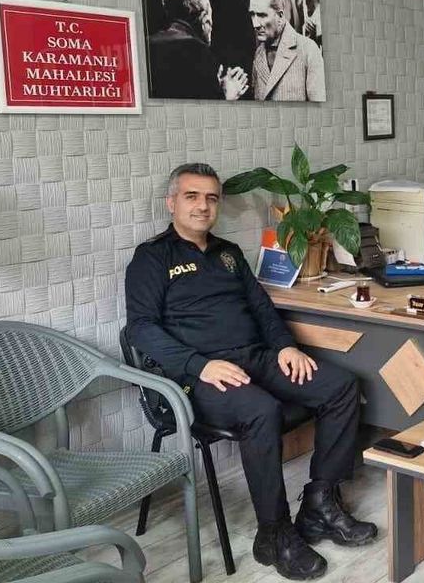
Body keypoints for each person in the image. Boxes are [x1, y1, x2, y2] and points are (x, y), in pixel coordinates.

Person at [125, 163, 376, 580]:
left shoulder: (228, 254)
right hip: (197, 376)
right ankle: (274, 534)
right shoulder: (151, 258)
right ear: (171, 203)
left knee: (341, 386)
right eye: (191, 196)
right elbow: (141, 329)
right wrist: (200, 365)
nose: (203, 206)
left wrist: (285, 346)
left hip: (256, 357)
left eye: (211, 198)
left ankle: (319, 504)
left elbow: (261, 309)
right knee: (261, 411)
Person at [146, 0, 249, 100]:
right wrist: (228, 95)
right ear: (205, 19)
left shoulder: (146, 45)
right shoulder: (200, 53)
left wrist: (217, 87)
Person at [246, 0, 326, 102]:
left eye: (262, 15)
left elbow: (319, 107)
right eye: (252, 14)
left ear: (280, 15)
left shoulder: (308, 50)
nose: (255, 24)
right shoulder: (258, 54)